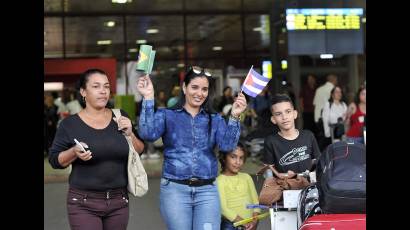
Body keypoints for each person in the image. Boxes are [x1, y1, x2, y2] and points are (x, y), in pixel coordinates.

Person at [137, 66, 248, 230]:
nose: (199, 93)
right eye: (194, 87)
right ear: (184, 87)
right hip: (175, 190)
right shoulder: (168, 115)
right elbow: (147, 134)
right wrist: (148, 98)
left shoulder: (214, 118)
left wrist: (235, 116)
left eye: (204, 89)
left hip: (207, 191)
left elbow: (228, 146)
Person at [48, 68, 145, 230]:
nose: (103, 91)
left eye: (106, 87)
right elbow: (54, 160)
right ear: (83, 92)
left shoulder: (120, 116)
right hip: (83, 203)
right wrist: (73, 152)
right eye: (96, 86)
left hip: (119, 201)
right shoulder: (70, 124)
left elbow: (139, 150)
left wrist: (130, 134)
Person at [263, 94, 320, 177]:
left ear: (295, 114)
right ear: (273, 119)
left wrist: (312, 173)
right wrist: (279, 175)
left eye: (288, 111)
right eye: (278, 114)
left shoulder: (308, 136)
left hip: (309, 185)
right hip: (285, 186)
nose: (284, 117)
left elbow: (317, 160)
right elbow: (268, 168)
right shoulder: (271, 141)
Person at [217, 143, 260, 230]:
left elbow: (256, 202)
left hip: (250, 224)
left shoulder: (247, 177)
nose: (238, 162)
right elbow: (223, 208)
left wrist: (254, 220)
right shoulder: (219, 180)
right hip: (230, 225)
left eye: (241, 158)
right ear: (224, 158)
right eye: (233, 157)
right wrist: (244, 222)